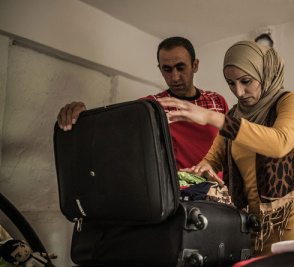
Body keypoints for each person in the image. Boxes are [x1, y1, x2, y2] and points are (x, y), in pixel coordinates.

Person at [157, 40, 294, 256]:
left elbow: (279, 143)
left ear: (264, 73)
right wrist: (196, 174)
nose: (239, 91)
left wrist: (211, 117)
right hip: (253, 222)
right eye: (231, 83)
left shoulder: (291, 102)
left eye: (246, 81)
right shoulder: (235, 116)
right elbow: (211, 160)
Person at [57, 37, 229, 170]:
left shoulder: (217, 101)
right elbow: (106, 129)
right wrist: (83, 116)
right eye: (167, 70)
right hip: (181, 197)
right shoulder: (151, 105)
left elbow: (234, 148)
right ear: (160, 69)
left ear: (195, 65)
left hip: (220, 194)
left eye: (181, 67)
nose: (175, 77)